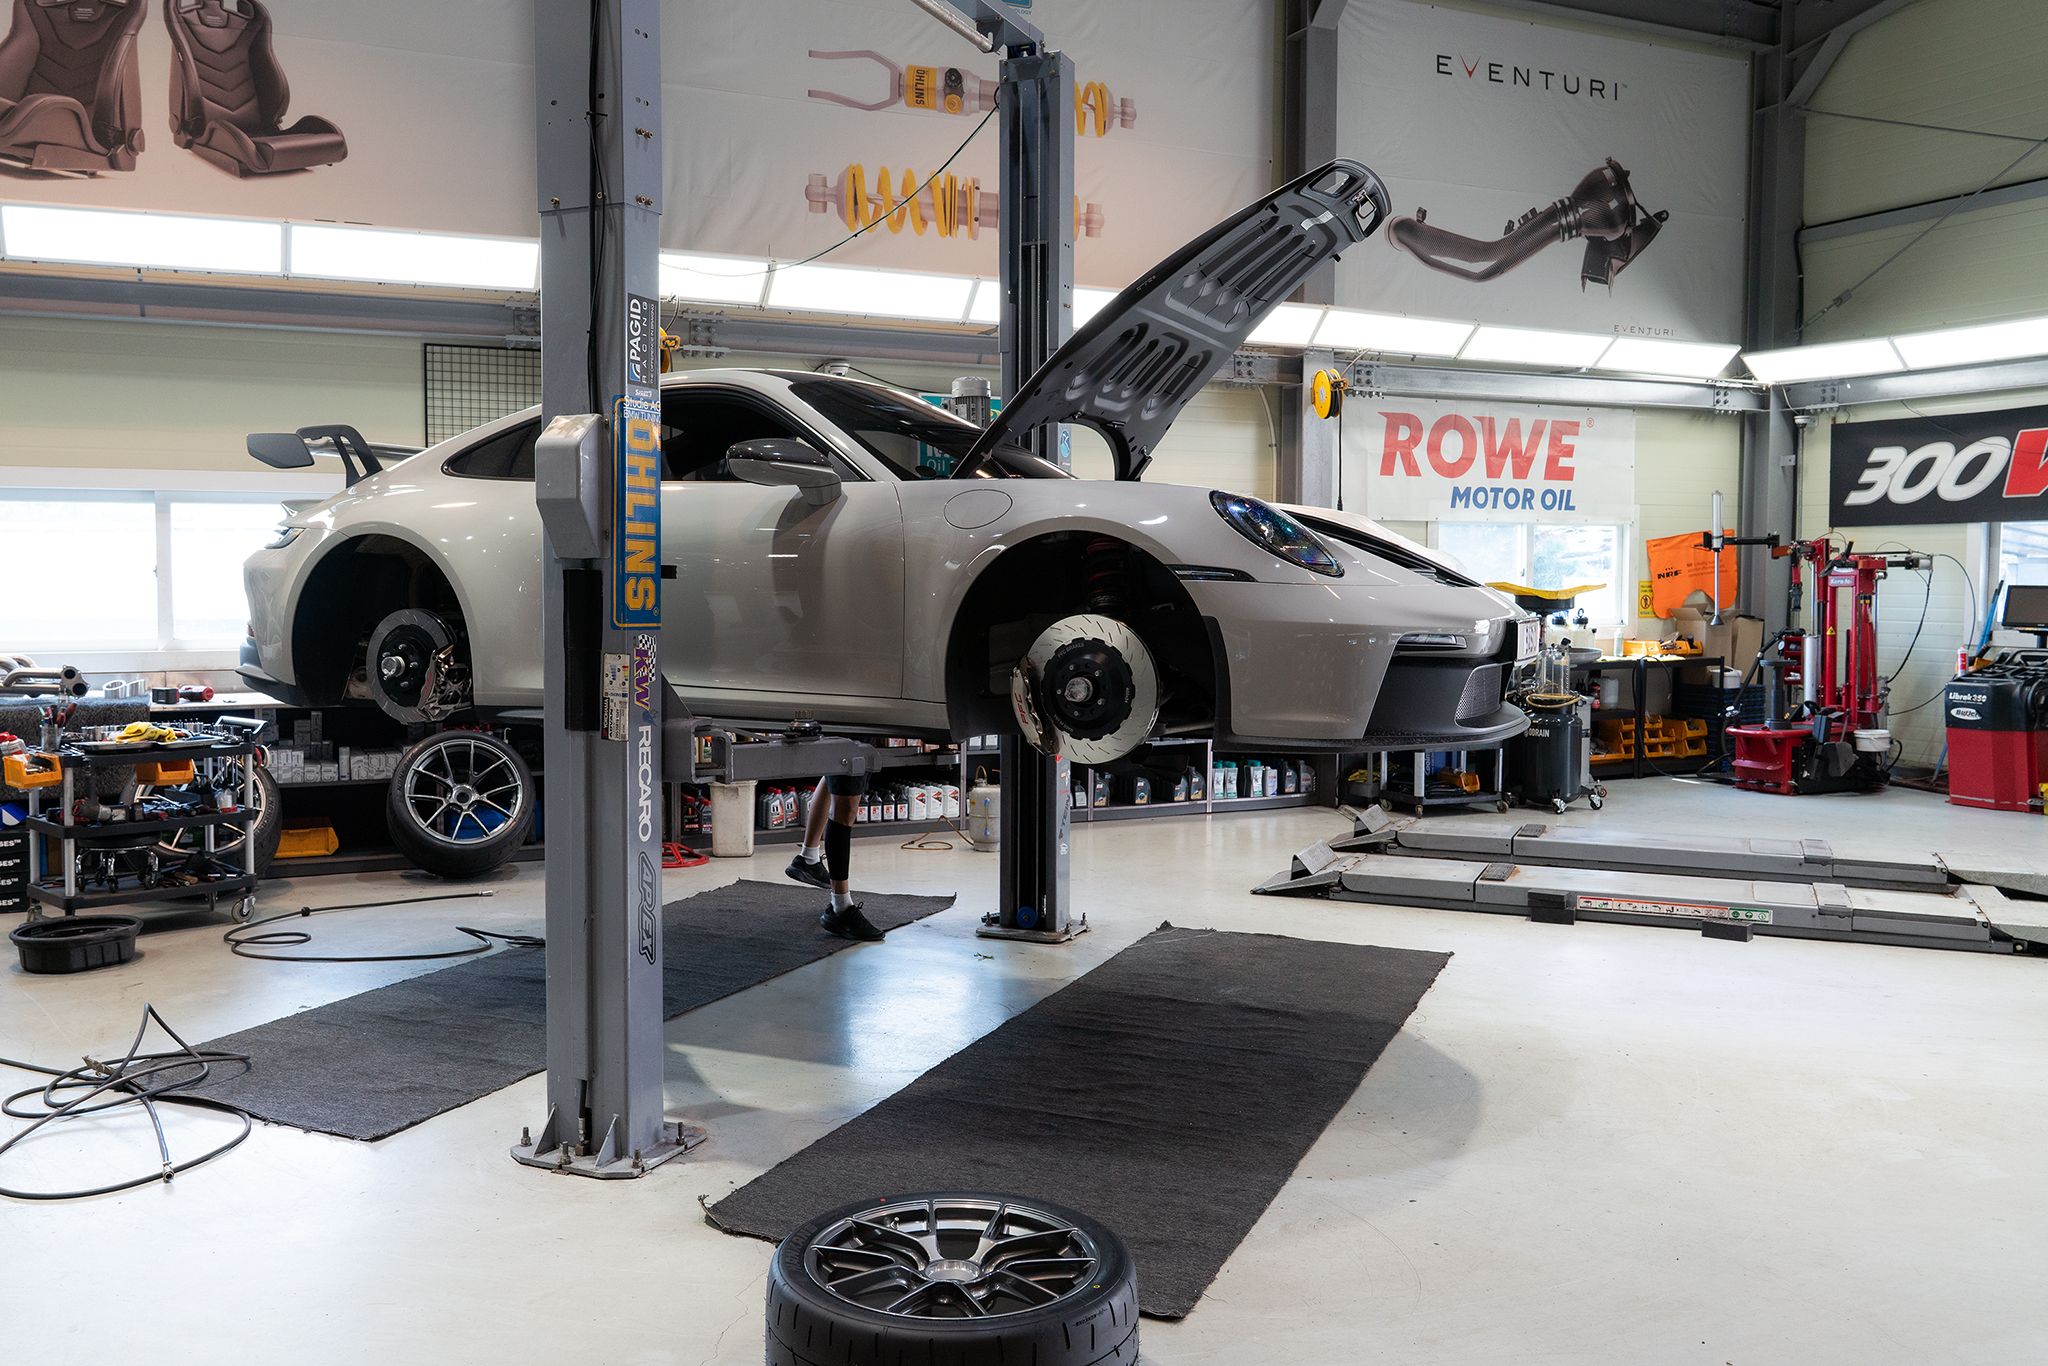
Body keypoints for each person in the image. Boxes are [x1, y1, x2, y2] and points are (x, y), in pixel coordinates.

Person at [785, 773, 883, 941]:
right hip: (851, 748)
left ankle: (808, 858)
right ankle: (841, 907)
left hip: (850, 748)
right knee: (846, 807)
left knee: (833, 773)